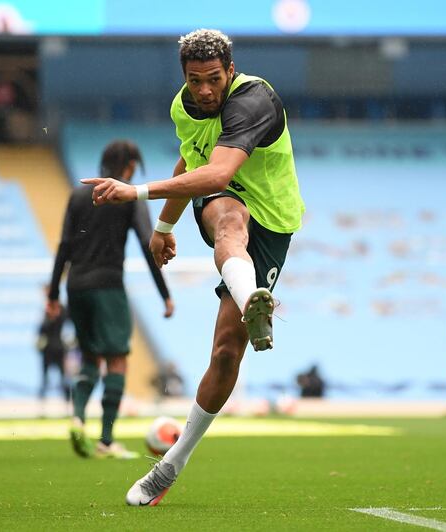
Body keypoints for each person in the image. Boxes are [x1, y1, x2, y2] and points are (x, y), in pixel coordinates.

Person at [81, 29, 305, 506]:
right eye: (195, 79)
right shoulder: (182, 106)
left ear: (230, 71)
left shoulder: (254, 99)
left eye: (213, 79)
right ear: (184, 75)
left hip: (275, 220)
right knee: (227, 220)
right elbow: (193, 161)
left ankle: (172, 462)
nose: (204, 90)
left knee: (226, 352)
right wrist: (164, 226)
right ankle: (254, 303)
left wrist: (136, 193)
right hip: (230, 209)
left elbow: (220, 170)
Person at [47, 140, 175, 459]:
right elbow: (151, 246)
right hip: (108, 285)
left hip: (75, 287)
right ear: (130, 166)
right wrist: (165, 295)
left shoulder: (78, 196)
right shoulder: (128, 195)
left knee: (90, 358)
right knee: (116, 359)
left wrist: (53, 293)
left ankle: (77, 417)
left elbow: (63, 246)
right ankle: (106, 440)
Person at [37, 284, 70, 402]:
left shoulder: (57, 309)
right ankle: (42, 406)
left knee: (63, 378)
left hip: (56, 348)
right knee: (46, 379)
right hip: (51, 348)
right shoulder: (49, 309)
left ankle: (68, 406)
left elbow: (43, 329)